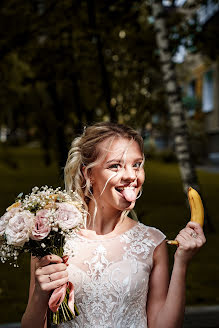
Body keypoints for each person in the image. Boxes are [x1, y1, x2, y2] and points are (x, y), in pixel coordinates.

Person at [21, 122, 206, 328]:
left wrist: (181, 262)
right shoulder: (50, 240)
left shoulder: (153, 243)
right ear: (88, 174)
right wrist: (40, 293)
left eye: (136, 164)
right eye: (115, 165)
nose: (131, 176)